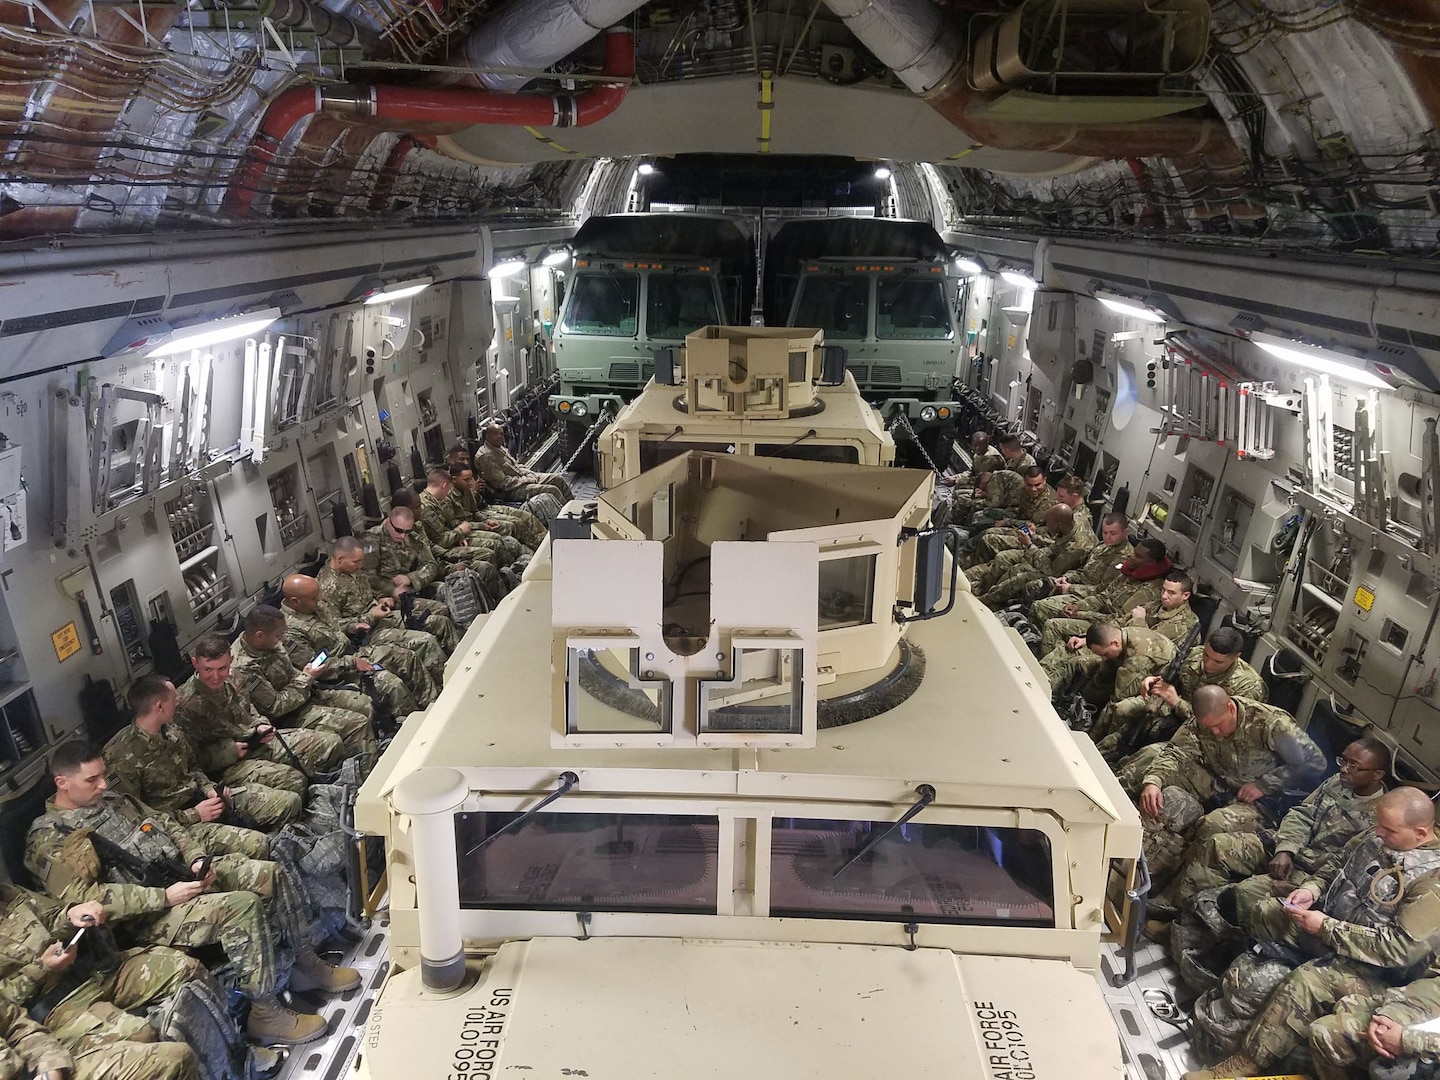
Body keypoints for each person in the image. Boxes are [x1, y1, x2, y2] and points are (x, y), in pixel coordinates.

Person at [25, 744, 351, 1045]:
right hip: (143, 919)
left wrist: (195, 858)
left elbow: (167, 825)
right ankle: (266, 1014)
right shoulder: (50, 839)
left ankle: (307, 962)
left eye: (103, 776)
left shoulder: (115, 802)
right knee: (242, 906)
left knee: (269, 874)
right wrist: (164, 897)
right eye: (92, 780)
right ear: (62, 783)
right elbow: (86, 900)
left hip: (178, 879)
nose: (103, 786)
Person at [1184, 788, 1440, 1080]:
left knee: (1307, 982)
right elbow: (1337, 863)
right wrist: (1312, 889)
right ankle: (1221, 982)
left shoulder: (1431, 883)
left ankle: (1244, 1063)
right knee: (1267, 911)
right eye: (1379, 825)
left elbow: (1397, 949)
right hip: (1333, 929)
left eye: (1389, 830)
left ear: (1420, 834)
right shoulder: (1379, 837)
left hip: (1375, 968)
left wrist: (1325, 928)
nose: (1379, 833)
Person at [1159, 737, 1389, 923]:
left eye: (1354, 766)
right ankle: (1178, 912)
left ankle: (1199, 931)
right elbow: (1303, 814)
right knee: (1219, 846)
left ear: (1377, 775)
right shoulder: (1337, 783)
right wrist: (1286, 850)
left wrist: (1305, 881)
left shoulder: (1380, 818)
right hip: (1288, 848)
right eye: (1343, 761)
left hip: (1311, 873)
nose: (1344, 769)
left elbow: (1344, 867)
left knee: (1246, 893)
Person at [0, 881, 202, 1080]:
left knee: (186, 968)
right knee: (142, 1035)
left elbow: (51, 917)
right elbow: (8, 1003)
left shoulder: (8, 894)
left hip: (84, 974)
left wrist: (71, 916)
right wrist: (42, 968)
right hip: (49, 1007)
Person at [1137, 686, 1327, 892]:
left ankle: (1175, 894)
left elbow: (1315, 762)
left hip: (1263, 802)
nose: (1215, 733)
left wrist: (1265, 784)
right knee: (1162, 794)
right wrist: (1153, 781)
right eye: (1209, 728)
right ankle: (1140, 864)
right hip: (1220, 779)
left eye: (1218, 726)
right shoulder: (1206, 719)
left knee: (1212, 825)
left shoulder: (1272, 724)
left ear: (1230, 708)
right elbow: (1176, 750)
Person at [105, 675, 300, 835]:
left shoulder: (171, 730)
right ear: (159, 707)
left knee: (289, 802)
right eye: (174, 699)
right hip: (179, 826)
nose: (178, 701)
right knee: (257, 842)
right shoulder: (120, 756)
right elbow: (135, 818)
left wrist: (209, 789)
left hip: (202, 799)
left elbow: (192, 767)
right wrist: (194, 815)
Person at [174, 636, 336, 793]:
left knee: (330, 744)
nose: (215, 677)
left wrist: (260, 725)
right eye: (208, 669)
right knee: (295, 781)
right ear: (195, 664)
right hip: (226, 765)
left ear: (231, 661)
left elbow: (248, 708)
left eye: (222, 668)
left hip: (255, 741)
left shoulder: (235, 677)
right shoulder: (185, 704)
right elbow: (190, 760)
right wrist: (227, 753)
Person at [1110, 626, 1268, 778]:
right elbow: (1173, 678)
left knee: (1150, 755)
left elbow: (1220, 731)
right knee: (1123, 713)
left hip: (1205, 741)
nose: (1208, 664)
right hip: (1172, 717)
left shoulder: (1248, 687)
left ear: (1236, 657)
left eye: (1218, 662)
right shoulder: (1195, 654)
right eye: (1207, 655)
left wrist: (1178, 703)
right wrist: (1154, 680)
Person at [230, 607, 376, 767]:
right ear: (259, 636)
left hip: (307, 693)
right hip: (290, 715)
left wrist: (308, 675)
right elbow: (275, 707)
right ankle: (366, 771)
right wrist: (306, 678)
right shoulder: (245, 666)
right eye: (278, 636)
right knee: (356, 723)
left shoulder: (268, 641)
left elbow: (292, 670)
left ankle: (364, 758)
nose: (282, 639)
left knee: (365, 704)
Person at [280, 573, 436, 713]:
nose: (319, 600)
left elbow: (335, 624)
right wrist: (352, 663)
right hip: (339, 672)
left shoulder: (314, 605)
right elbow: (315, 668)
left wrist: (353, 626)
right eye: (314, 598)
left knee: (406, 657)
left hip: (354, 652)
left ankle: (432, 704)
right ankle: (412, 723)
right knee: (391, 684)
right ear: (295, 601)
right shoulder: (288, 631)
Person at [316, 536, 457, 659]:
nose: (360, 565)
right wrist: (370, 616)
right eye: (356, 562)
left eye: (361, 561)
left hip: (383, 617)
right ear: (340, 559)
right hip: (368, 633)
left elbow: (367, 593)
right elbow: (334, 627)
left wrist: (381, 599)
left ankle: (461, 660)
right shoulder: (327, 586)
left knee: (441, 622)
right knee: (426, 640)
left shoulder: (352, 570)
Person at [1034, 542, 1178, 656]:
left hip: (1110, 627)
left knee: (1053, 626)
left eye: (1138, 556)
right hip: (1097, 616)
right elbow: (1104, 596)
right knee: (1041, 607)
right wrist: (1079, 606)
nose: (1131, 556)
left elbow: (1118, 619)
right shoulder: (1130, 573)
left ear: (1151, 562)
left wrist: (1080, 614)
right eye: (1134, 552)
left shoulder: (1150, 590)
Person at [975, 512, 1131, 612]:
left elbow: (1102, 590)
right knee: (1017, 570)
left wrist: (1071, 587)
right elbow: (1084, 571)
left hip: (1087, 596)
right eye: (1104, 532)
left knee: (1031, 583)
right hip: (1072, 581)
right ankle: (991, 599)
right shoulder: (1102, 547)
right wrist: (1068, 577)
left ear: (1125, 533)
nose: (1107, 537)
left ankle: (993, 604)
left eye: (1113, 533)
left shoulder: (1122, 558)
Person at [368, 506, 490, 628]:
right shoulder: (372, 539)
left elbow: (431, 565)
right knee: (441, 610)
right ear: (389, 522)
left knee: (458, 587)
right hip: (388, 597)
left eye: (407, 531)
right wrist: (392, 590)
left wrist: (411, 578)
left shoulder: (414, 536)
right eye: (399, 530)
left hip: (414, 586)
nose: (403, 536)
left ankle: (479, 626)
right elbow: (368, 577)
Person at [1310, 974, 1440, 1080]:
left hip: (1428, 1049)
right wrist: (1388, 1019)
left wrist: (1407, 1040)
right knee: (1329, 1032)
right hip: (1424, 1033)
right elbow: (1431, 991)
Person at [969, 505, 1098, 608]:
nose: (1046, 525)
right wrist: (1034, 537)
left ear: (1058, 525)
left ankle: (986, 601)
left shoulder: (1077, 546)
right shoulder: (1073, 521)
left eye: (1048, 523)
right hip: (1055, 556)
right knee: (1004, 558)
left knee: (1020, 574)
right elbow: (1055, 546)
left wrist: (1030, 545)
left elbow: (1052, 571)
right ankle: (985, 589)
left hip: (1063, 574)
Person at [1042, 621, 1175, 706]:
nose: (1103, 658)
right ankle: (1043, 691)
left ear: (1115, 643)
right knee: (1079, 663)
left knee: (1117, 707)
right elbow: (1103, 670)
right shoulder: (1119, 636)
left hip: (1157, 680)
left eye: (1104, 654)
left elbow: (1118, 698)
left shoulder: (1137, 658)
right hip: (1124, 660)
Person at [964, 474, 1087, 566]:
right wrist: (1034, 529)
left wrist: (1032, 539)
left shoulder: (1078, 520)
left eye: (1061, 496)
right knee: (990, 531)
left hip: (1041, 546)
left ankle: (971, 564)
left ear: (1074, 496)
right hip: (1036, 534)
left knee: (990, 539)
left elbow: (1057, 546)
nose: (1058, 499)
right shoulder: (1066, 508)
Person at [412, 470, 520, 575]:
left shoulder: (437, 501)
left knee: (496, 541)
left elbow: (450, 523)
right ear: (444, 486)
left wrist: (459, 535)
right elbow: (439, 541)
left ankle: (506, 573)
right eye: (448, 488)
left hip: (452, 539)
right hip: (443, 549)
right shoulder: (426, 508)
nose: (448, 492)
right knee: (489, 551)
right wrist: (459, 532)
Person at [447, 463, 547, 549]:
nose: (470, 483)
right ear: (454, 480)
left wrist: (487, 521)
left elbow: (475, 512)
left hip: (476, 521)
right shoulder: (448, 497)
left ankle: (542, 542)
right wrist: (482, 525)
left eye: (470, 479)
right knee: (512, 526)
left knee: (522, 519)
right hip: (465, 530)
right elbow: (454, 524)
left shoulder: (466, 490)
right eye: (466, 480)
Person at [474, 422, 573, 503]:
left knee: (557, 479)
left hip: (522, 479)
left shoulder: (500, 448)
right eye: (496, 434)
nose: (500, 437)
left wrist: (529, 474)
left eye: (501, 434)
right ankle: (565, 518)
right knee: (552, 489)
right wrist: (526, 480)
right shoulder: (486, 456)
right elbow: (502, 483)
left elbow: (516, 466)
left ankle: (573, 507)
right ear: (487, 436)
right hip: (511, 490)